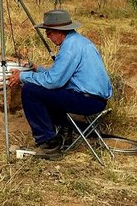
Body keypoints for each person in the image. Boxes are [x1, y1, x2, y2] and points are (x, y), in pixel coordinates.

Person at [7, 9, 112, 158]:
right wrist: (38, 70)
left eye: (49, 32)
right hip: (92, 98)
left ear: (60, 31)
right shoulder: (76, 41)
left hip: (89, 100)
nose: (47, 35)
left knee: (31, 91)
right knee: (46, 90)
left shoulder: (70, 47)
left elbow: (53, 81)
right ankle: (64, 130)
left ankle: (48, 144)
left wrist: (23, 76)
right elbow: (60, 76)